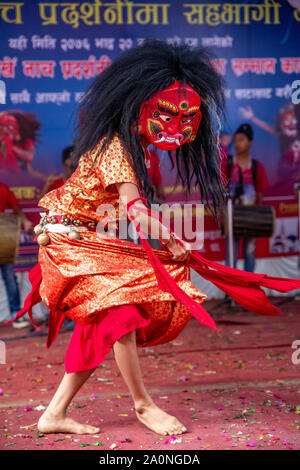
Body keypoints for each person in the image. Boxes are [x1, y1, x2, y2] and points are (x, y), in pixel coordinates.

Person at [7, 40, 300, 437]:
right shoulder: (116, 147)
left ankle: (54, 412)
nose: (177, 128)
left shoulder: (130, 146)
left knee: (103, 325)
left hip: (83, 240)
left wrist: (167, 241)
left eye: (187, 118)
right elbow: (136, 210)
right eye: (168, 114)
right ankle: (143, 405)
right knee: (123, 313)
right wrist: (171, 239)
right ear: (141, 108)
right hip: (66, 244)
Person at [221, 123, 269, 272]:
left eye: (241, 140)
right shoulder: (227, 164)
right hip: (232, 218)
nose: (237, 144)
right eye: (235, 140)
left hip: (251, 219)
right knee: (231, 254)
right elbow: (221, 192)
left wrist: (258, 218)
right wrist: (222, 215)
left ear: (250, 142)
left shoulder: (256, 166)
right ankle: (231, 294)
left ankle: (250, 291)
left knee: (250, 254)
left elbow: (259, 195)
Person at [0, 182, 33, 328]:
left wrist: (25, 221)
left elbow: (16, 208)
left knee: (9, 276)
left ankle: (16, 314)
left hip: (2, 229)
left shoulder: (3, 188)